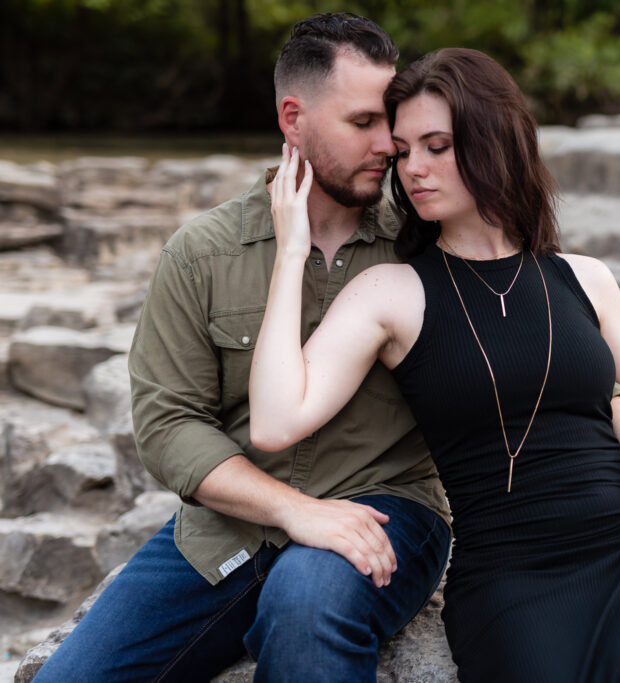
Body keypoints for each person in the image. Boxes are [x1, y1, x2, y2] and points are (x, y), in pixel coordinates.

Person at [251, 47, 620, 682]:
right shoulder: (393, 293)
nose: (414, 168)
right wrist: (291, 254)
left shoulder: (585, 279)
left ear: (493, 142)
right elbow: (275, 421)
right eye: (403, 150)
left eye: (437, 146)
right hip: (510, 574)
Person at [34, 14, 453, 682]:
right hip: (228, 530)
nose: (388, 145)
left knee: (306, 599)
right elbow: (169, 424)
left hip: (385, 510)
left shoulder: (426, 238)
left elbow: (529, 334)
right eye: (364, 123)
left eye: (391, 123)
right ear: (295, 118)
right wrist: (296, 511)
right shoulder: (203, 252)